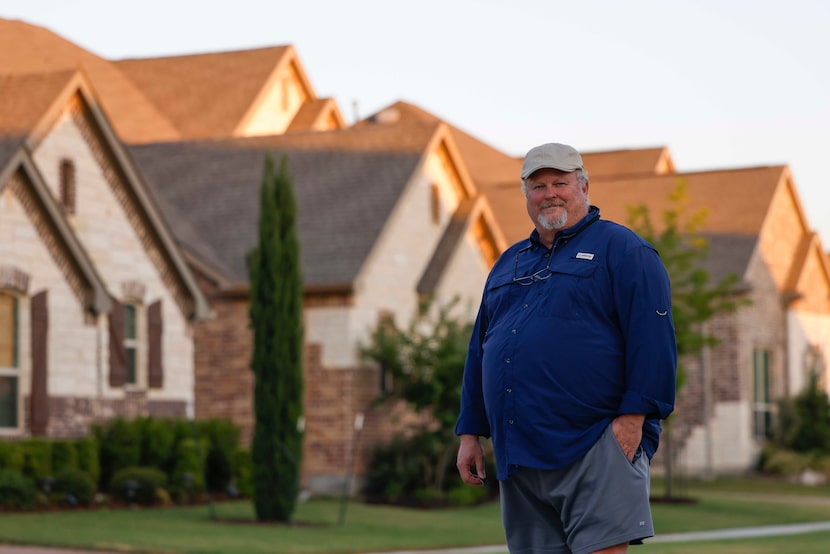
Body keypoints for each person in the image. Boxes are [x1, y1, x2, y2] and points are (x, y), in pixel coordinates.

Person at [455, 142, 677, 554]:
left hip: (595, 442)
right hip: (519, 451)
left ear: (585, 187)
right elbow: (479, 351)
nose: (550, 193)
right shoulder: (507, 263)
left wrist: (632, 421)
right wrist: (471, 432)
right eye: (538, 186)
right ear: (526, 195)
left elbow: (653, 339)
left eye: (560, 182)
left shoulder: (624, 250)